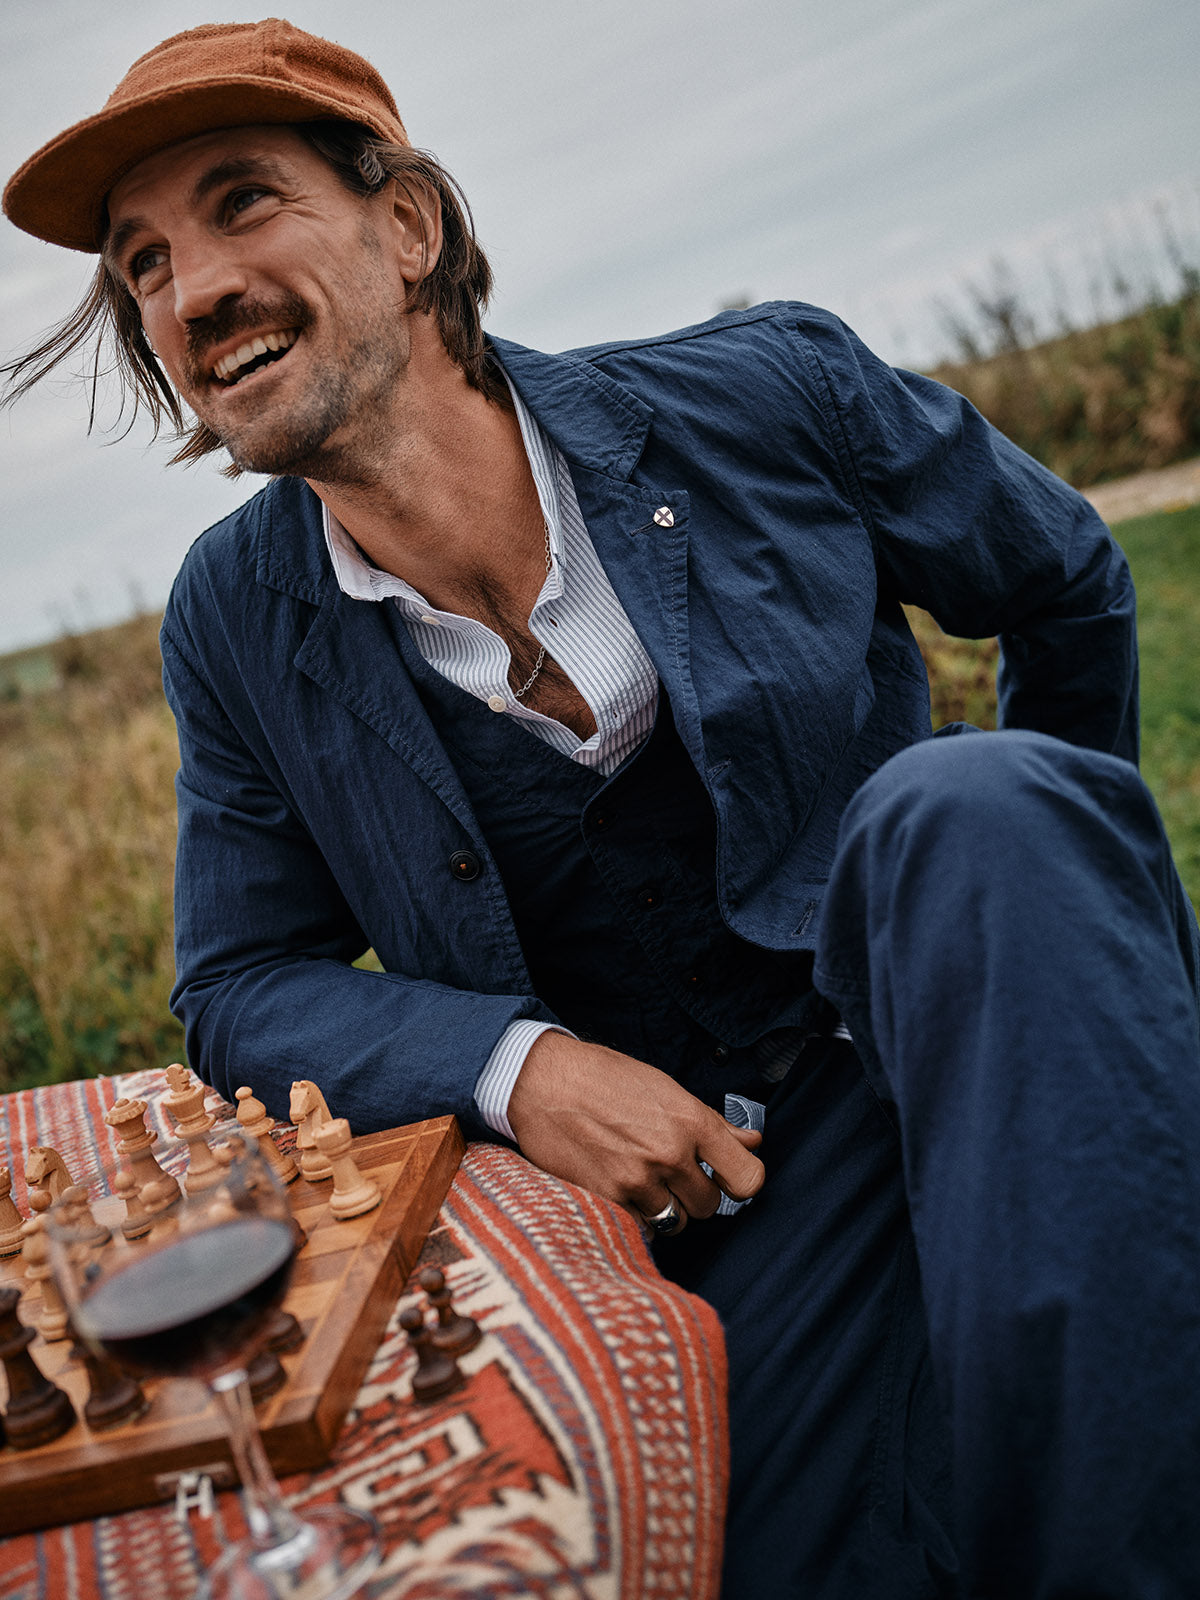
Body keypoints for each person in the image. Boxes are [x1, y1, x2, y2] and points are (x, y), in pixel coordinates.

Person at [5, 20, 1199, 1598]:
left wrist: (1073, 941)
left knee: (974, 806)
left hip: (971, 1021)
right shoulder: (234, 620)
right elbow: (238, 982)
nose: (192, 291)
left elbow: (1064, 582)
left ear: (408, 226)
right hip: (729, 1192)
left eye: (243, 203)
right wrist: (519, 1067)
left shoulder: (770, 389)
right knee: (797, 1556)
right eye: (144, 264)